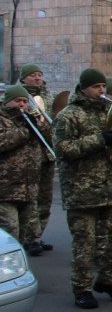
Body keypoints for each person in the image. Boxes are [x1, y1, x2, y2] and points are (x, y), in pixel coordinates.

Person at [52, 67, 112, 309]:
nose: (102, 91)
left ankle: (108, 279)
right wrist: (100, 140)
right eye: (96, 87)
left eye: (103, 87)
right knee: (85, 244)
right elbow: (63, 150)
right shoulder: (69, 115)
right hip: (81, 190)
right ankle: (82, 288)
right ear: (84, 88)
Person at [0, 85, 45, 244]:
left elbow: (49, 139)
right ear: (7, 101)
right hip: (5, 189)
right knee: (10, 231)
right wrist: (25, 131)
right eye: (17, 101)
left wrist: (39, 125)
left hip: (28, 189)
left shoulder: (27, 119)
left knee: (21, 235)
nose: (21, 105)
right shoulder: (3, 118)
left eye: (25, 101)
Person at [19, 62, 55, 255]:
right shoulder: (19, 96)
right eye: (33, 75)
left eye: (39, 74)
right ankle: (30, 237)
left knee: (45, 198)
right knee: (31, 197)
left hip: (48, 152)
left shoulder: (49, 95)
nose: (37, 78)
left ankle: (38, 235)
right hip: (29, 153)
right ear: (24, 78)